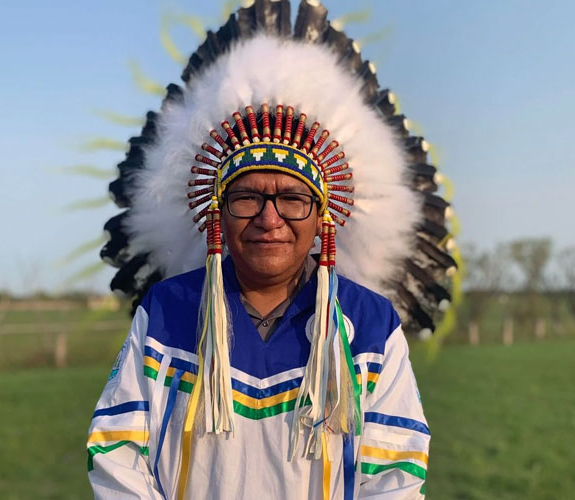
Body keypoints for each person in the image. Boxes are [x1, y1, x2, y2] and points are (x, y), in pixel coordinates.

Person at [88, 1, 454, 498]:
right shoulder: (167, 313)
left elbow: (394, 474)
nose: (269, 218)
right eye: (246, 198)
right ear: (218, 213)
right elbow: (116, 453)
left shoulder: (369, 326)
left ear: (322, 217)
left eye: (291, 199)